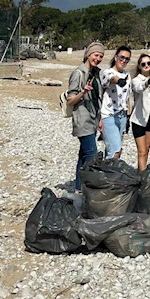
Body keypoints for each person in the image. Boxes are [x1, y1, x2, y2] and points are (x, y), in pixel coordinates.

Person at [66, 41, 105, 193]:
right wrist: (83, 92)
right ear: (88, 55)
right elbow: (70, 100)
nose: (98, 59)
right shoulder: (78, 73)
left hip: (93, 119)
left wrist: (100, 119)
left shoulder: (96, 73)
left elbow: (97, 98)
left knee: (83, 156)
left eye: (101, 56)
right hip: (82, 120)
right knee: (91, 156)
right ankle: (90, 190)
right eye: (96, 55)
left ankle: (78, 188)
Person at [100, 46, 132, 159]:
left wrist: (128, 116)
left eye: (127, 59)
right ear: (115, 57)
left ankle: (107, 168)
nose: (123, 61)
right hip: (109, 115)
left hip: (122, 116)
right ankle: (110, 169)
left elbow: (127, 97)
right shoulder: (107, 72)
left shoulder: (127, 75)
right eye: (121, 57)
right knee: (115, 149)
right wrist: (119, 81)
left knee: (115, 149)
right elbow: (111, 78)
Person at [130, 53, 150, 172]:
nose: (146, 65)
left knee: (146, 150)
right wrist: (147, 83)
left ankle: (140, 173)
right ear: (139, 66)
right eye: (143, 64)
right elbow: (138, 88)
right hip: (138, 119)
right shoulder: (135, 80)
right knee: (142, 151)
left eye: (149, 63)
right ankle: (143, 178)